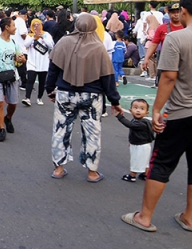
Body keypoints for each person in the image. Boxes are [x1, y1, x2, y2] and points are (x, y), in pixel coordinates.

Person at [122, 0, 192, 233]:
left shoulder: (175, 38)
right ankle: (190, 218)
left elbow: (169, 77)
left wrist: (157, 109)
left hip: (181, 111)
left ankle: (145, 217)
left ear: (182, 11)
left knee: (161, 163)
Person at [46, 14, 121, 182]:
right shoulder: (98, 46)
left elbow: (53, 68)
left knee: (61, 130)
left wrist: (50, 90)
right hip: (92, 95)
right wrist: (114, 101)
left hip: (65, 93)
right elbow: (107, 77)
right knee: (92, 133)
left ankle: (58, 169)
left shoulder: (63, 42)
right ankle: (92, 172)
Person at [141, 4, 183, 88]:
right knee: (165, 86)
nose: (176, 14)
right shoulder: (161, 28)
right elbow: (153, 45)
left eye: (178, 12)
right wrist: (146, 59)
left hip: (184, 62)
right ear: (168, 13)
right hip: (167, 62)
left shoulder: (187, 27)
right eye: (173, 12)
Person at [116, 99, 155, 183]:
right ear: (131, 110)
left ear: (146, 112)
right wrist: (131, 141)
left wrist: (120, 117)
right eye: (135, 108)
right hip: (142, 144)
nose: (138, 110)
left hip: (140, 145)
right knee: (144, 161)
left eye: (142, 109)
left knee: (136, 160)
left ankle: (132, 175)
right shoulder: (140, 121)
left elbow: (130, 125)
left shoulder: (141, 123)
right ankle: (145, 174)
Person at [22, 19, 54, 106]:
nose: (36, 27)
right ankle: (27, 98)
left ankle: (39, 97)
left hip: (43, 63)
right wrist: (33, 37)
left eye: (38, 25)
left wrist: (42, 37)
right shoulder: (29, 36)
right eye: (34, 25)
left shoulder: (46, 35)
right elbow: (26, 45)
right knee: (30, 80)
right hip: (32, 63)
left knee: (42, 81)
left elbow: (51, 45)